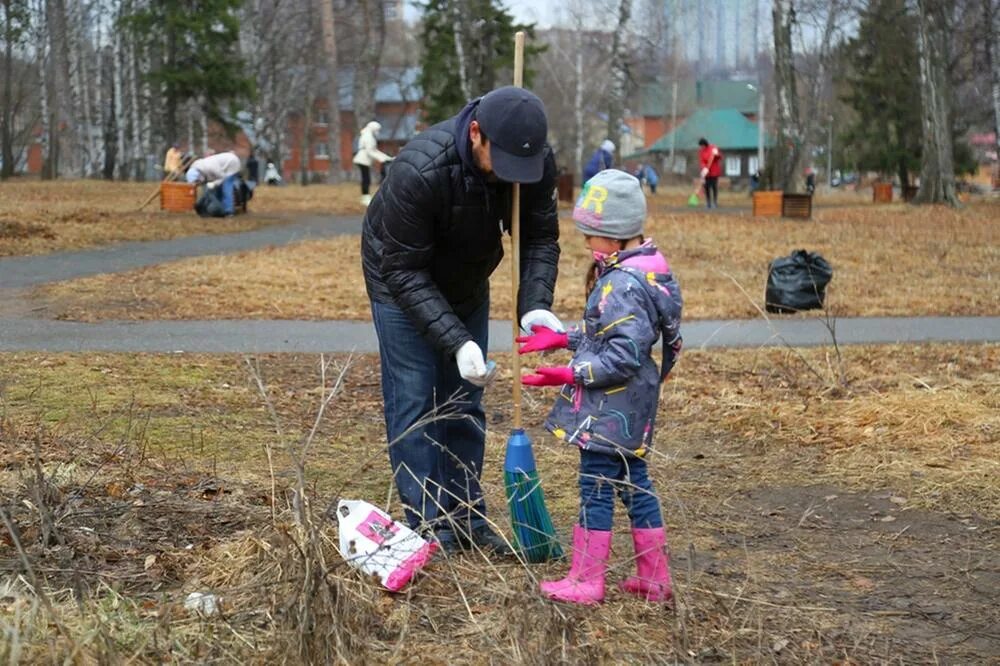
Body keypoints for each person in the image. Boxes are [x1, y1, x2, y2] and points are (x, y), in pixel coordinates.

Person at [361, 86, 562, 556]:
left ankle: (465, 516)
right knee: (415, 397)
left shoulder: (532, 161)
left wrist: (534, 303)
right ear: (476, 134)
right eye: (503, 162)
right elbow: (403, 269)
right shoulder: (421, 169)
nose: (514, 176)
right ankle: (431, 524)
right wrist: (455, 340)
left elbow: (539, 238)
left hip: (468, 278)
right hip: (400, 278)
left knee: (465, 397)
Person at [518, 169, 682, 605]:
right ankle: (655, 577)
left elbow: (622, 356)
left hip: (611, 408)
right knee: (635, 483)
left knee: (595, 486)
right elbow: (611, 335)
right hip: (631, 404)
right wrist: (564, 338)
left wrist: (569, 373)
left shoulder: (622, 284)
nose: (588, 244)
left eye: (592, 235)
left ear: (615, 235)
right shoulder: (642, 272)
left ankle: (586, 579)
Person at [186, 151, 243, 216]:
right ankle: (221, 208)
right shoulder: (197, 169)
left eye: (197, 181)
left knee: (226, 186)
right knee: (218, 188)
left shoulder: (210, 167)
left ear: (199, 176)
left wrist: (214, 183)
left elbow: (223, 177)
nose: (198, 184)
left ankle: (229, 211)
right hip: (222, 168)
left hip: (232, 163)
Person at [352, 121, 394, 206]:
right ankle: (365, 198)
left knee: (366, 178)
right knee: (366, 179)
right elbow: (370, 151)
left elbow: (374, 150)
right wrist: (382, 159)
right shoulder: (368, 136)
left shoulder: (369, 135)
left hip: (364, 159)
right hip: (363, 159)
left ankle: (365, 197)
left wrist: (386, 158)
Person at [698, 137, 722, 209]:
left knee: (714, 187)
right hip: (707, 172)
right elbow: (701, 160)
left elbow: (719, 157)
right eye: (701, 146)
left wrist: (716, 154)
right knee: (707, 187)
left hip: (714, 171)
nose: (701, 147)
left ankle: (714, 202)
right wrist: (704, 168)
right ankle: (708, 202)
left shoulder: (713, 148)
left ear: (705, 144)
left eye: (702, 145)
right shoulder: (701, 151)